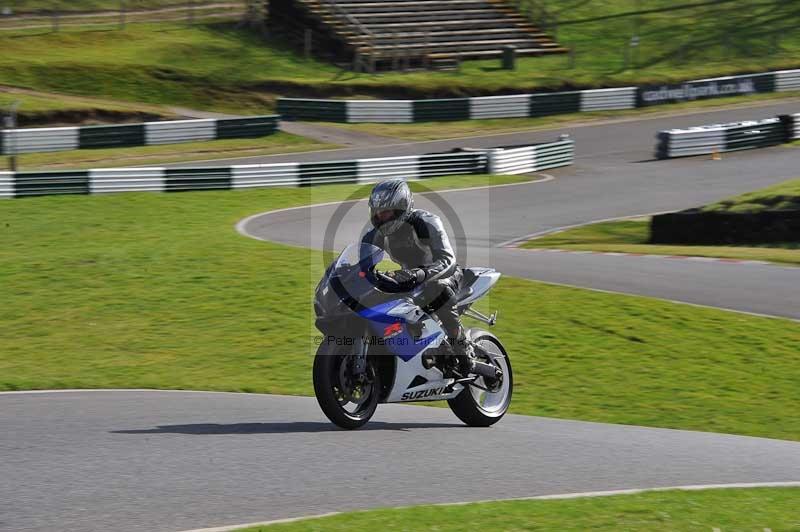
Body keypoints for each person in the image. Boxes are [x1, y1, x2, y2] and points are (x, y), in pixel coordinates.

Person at [361, 178, 474, 372]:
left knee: (437, 289)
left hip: (443, 275)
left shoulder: (425, 222)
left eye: (386, 212)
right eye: (378, 213)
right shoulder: (375, 235)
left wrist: (421, 273)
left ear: (401, 208)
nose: (381, 217)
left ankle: (461, 344)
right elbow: (362, 266)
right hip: (410, 281)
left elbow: (448, 260)